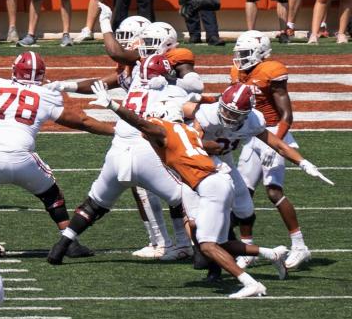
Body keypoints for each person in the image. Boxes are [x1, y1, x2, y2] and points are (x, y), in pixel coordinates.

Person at [87, 82, 290, 298]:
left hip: (210, 185)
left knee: (207, 245)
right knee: (219, 243)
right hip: (215, 180)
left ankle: (250, 282)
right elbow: (213, 146)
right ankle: (271, 254)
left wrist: (112, 105)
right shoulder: (188, 130)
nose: (148, 125)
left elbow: (140, 123)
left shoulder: (164, 130)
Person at [0, 51, 113, 259]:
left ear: (14, 71)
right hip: (21, 157)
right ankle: (70, 242)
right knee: (52, 195)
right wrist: (114, 130)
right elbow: (82, 122)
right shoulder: (46, 94)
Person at [46, 54, 194, 266]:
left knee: (94, 204)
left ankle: (63, 244)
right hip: (146, 154)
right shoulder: (175, 91)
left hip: (117, 153)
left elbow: (105, 82)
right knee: (184, 197)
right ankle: (187, 247)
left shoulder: (133, 85)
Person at [193, 82, 331, 272]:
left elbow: (278, 145)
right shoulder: (207, 114)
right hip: (197, 164)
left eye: (236, 114)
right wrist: (208, 148)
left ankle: (237, 248)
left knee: (245, 208)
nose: (229, 116)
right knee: (199, 214)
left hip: (225, 162)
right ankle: (204, 252)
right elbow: (192, 145)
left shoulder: (253, 120)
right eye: (226, 111)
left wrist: (303, 163)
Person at [230, 31, 313, 269]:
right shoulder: (237, 72)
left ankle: (299, 245)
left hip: (275, 130)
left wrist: (275, 142)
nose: (240, 59)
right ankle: (248, 248)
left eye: (246, 54)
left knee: (273, 191)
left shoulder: (271, 71)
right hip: (252, 132)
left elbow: (287, 116)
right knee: (242, 193)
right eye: (239, 54)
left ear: (261, 53)